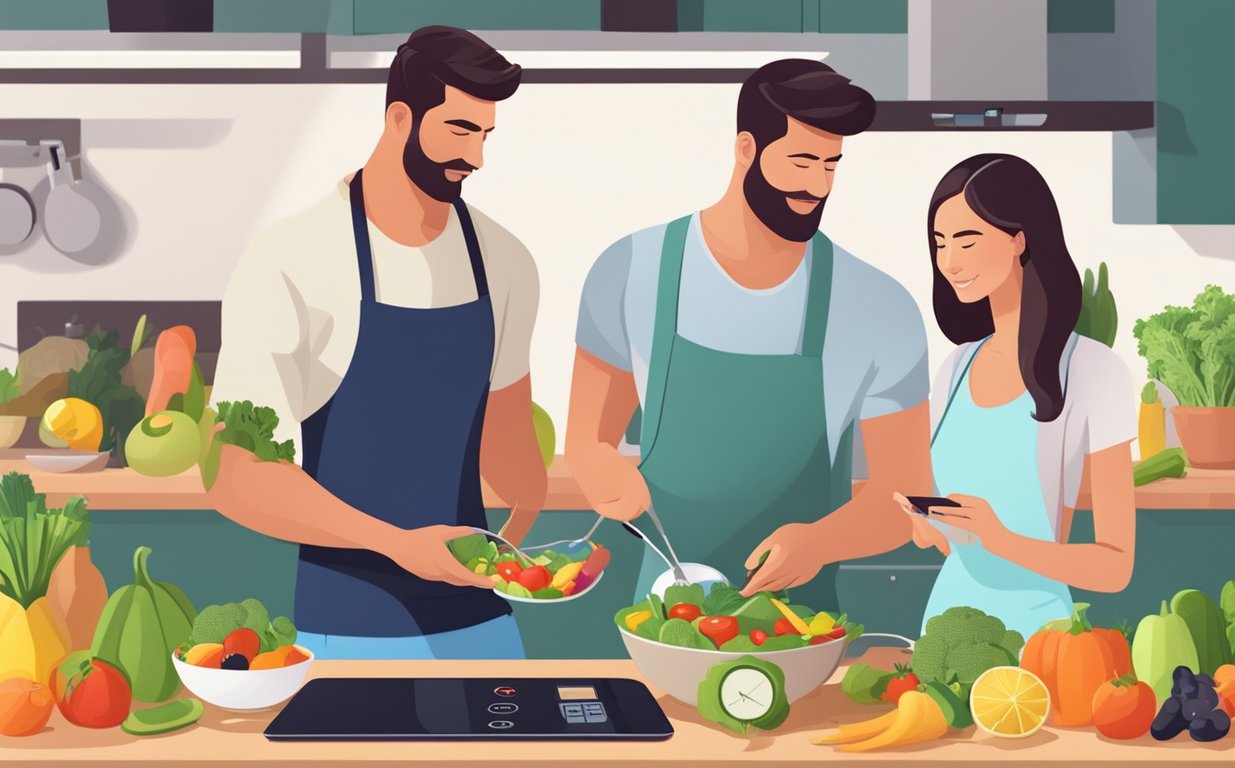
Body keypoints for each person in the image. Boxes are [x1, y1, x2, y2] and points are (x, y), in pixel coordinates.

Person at [208, 26, 546, 660]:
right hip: (347, 628)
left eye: (484, 135)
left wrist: (535, 536)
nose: (476, 157)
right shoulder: (291, 258)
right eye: (458, 130)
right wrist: (398, 543)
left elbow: (508, 442)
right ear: (399, 117)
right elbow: (239, 478)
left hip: (483, 625)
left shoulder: (503, 260)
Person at [567, 59, 933, 610]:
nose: (818, 186)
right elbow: (586, 441)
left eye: (832, 164)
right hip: (661, 622)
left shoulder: (880, 307)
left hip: (801, 634)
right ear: (745, 149)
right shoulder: (629, 270)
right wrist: (602, 473)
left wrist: (819, 542)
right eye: (802, 161)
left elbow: (905, 498)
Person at [781, 153, 1136, 640]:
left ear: (1019, 240)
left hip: (1042, 645)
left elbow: (1114, 569)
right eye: (940, 242)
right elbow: (958, 547)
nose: (949, 261)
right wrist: (932, 527)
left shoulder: (1093, 371)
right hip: (943, 631)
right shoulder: (955, 368)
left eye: (967, 240)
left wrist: (999, 539)